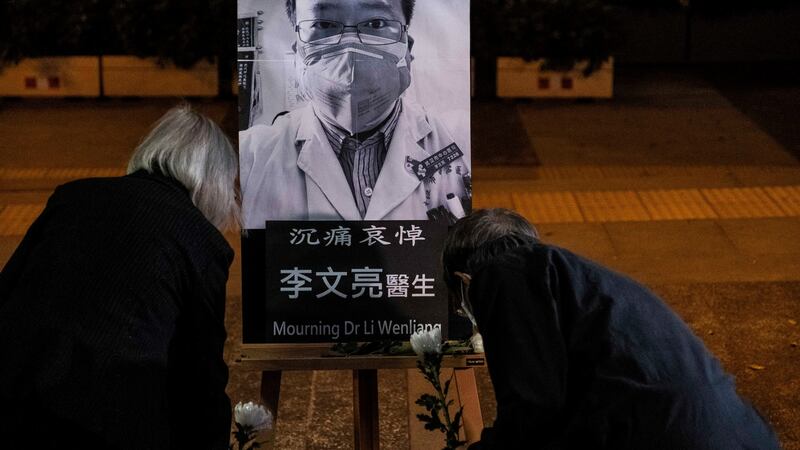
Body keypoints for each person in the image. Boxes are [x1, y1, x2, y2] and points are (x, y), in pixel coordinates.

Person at [0, 105, 239, 449]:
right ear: (214, 180)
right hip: (108, 416)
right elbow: (199, 378)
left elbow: (9, 289)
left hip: (14, 391)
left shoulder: (73, 196)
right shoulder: (198, 238)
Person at [442, 208, 782, 450]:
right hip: (728, 430)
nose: (466, 311)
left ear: (463, 282)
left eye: (460, 304)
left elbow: (532, 409)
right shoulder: (571, 277)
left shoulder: (500, 276)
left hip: (675, 434)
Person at [238, 0, 471, 227]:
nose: (350, 47)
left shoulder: (461, 144)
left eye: (376, 23)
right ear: (298, 53)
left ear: (407, 49)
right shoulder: (252, 156)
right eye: (325, 25)